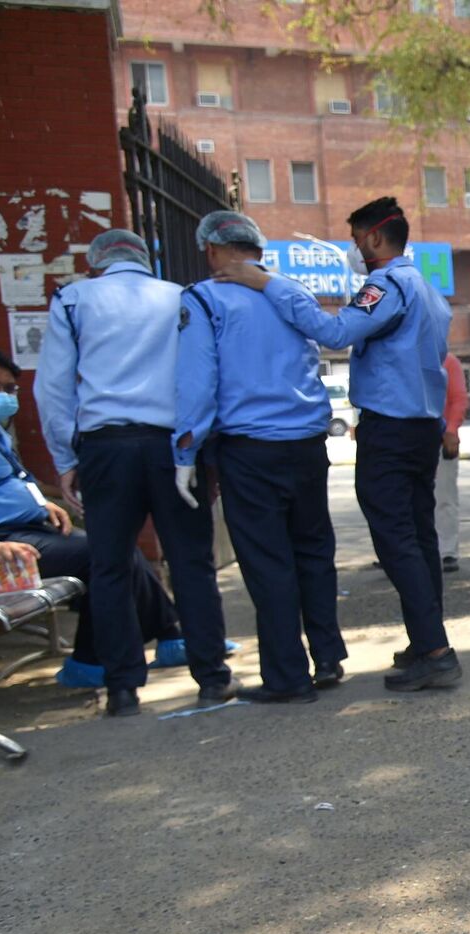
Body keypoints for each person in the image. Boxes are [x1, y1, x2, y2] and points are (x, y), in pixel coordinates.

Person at [218, 196, 462, 692]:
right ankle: (426, 639)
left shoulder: (386, 284)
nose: (354, 250)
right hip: (421, 428)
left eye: (355, 240)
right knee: (419, 536)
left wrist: (270, 283)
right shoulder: (429, 291)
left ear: (374, 238)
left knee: (396, 539)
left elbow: (333, 331)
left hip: (391, 429)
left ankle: (435, 650)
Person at [0, 349, 185, 697]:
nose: (2, 396)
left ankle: (162, 640)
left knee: (114, 545)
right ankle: (105, 656)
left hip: (24, 535)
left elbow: (13, 481)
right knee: (107, 554)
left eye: (9, 389)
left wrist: (44, 506)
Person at [34, 229, 232, 715]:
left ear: (97, 264)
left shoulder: (73, 299)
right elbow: (205, 378)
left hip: (106, 449)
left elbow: (53, 389)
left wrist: (66, 460)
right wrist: (201, 451)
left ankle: (122, 688)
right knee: (192, 562)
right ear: (146, 259)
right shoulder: (181, 297)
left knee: (110, 568)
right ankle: (211, 676)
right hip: (172, 446)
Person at [174, 210, 347, 705]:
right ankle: (328, 656)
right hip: (308, 444)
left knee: (269, 562)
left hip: (250, 449)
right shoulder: (290, 292)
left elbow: (197, 384)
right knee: (313, 550)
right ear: (259, 250)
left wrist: (185, 452)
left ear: (210, 250)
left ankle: (287, 676)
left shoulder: (203, 299)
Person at [435, 353, 465, 575]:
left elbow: (458, 399)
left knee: (445, 497)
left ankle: (447, 552)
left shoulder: (448, 361)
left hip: (441, 437)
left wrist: (451, 430)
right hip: (409, 438)